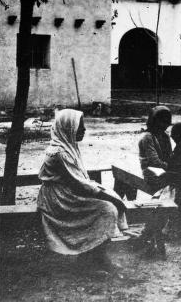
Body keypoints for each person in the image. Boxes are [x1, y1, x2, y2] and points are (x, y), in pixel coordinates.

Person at [37, 109, 126, 268]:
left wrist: (105, 193)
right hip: (60, 199)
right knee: (107, 209)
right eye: (79, 126)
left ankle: (93, 255)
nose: (84, 130)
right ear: (68, 128)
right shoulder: (59, 153)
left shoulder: (67, 147)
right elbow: (78, 183)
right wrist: (108, 196)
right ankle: (93, 255)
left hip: (67, 193)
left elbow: (79, 180)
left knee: (108, 204)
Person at [139, 106, 173, 190]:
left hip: (164, 169)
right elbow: (154, 161)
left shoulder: (165, 136)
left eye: (166, 123)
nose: (165, 126)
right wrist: (170, 166)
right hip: (150, 170)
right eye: (162, 122)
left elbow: (169, 155)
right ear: (154, 122)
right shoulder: (148, 137)